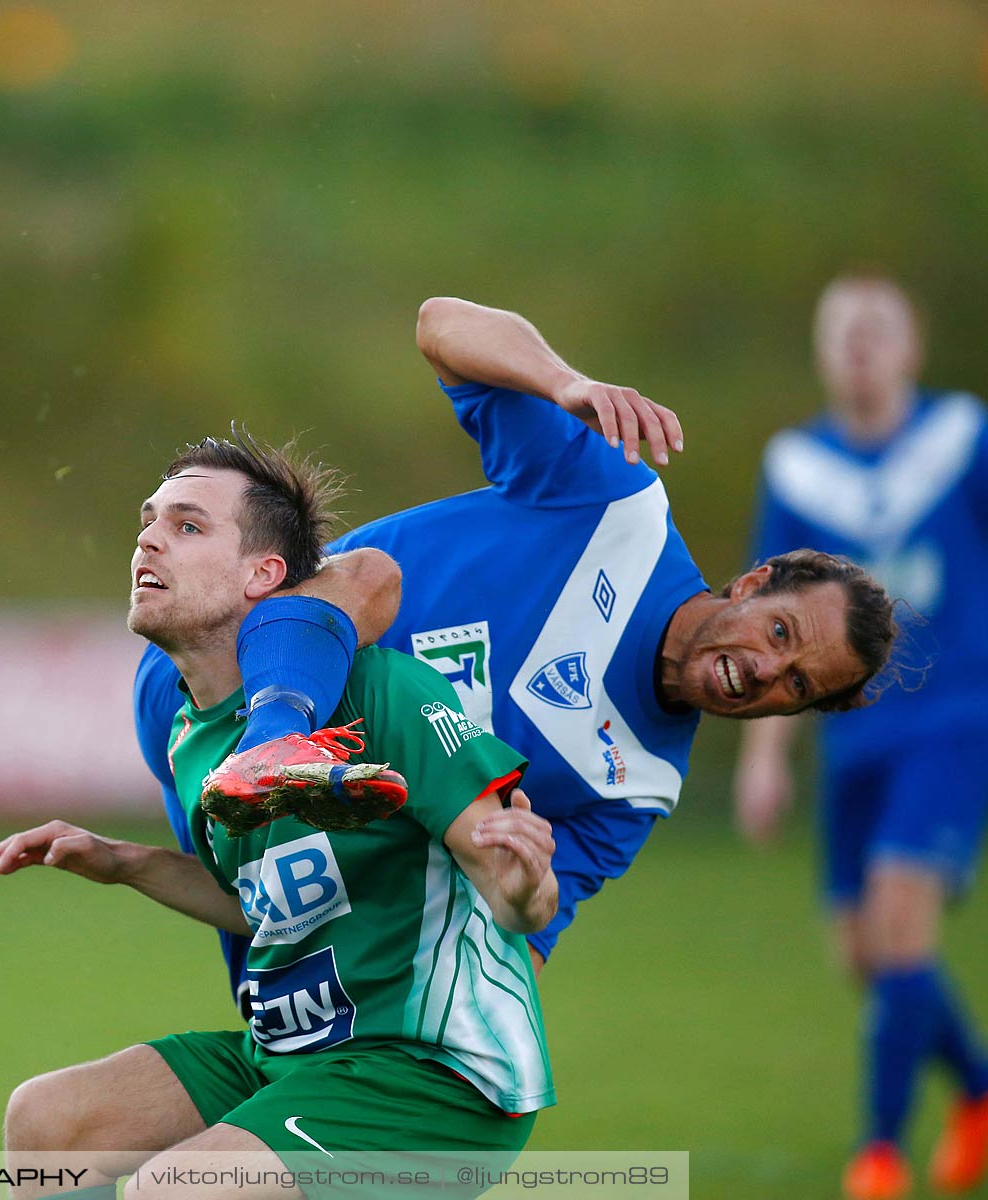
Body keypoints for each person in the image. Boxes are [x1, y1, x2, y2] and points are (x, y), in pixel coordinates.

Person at [135, 297, 900, 998]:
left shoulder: (639, 783)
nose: (767, 670)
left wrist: (512, 928)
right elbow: (441, 327)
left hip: (298, 828)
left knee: (285, 1053)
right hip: (220, 666)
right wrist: (562, 384)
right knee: (370, 578)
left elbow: (520, 929)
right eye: (780, 633)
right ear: (753, 583)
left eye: (797, 687)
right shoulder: (617, 509)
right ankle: (275, 743)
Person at [0, 432, 558, 1200]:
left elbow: (512, 890)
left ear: (266, 575)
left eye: (187, 526)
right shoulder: (192, 736)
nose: (148, 538)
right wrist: (124, 864)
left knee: (180, 1188)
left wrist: (524, 891)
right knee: (50, 1124)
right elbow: (261, 905)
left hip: (431, 1072)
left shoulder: (383, 692)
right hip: (294, 1055)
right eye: (149, 521)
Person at [734, 274, 988, 1200]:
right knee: (866, 956)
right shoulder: (799, 467)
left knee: (899, 923)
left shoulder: (964, 439)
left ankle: (877, 1155)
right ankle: (979, 1088)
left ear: (912, 346)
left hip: (956, 723)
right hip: (855, 743)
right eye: (840, 330)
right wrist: (767, 758)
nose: (859, 346)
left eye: (877, 328)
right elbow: (769, 624)